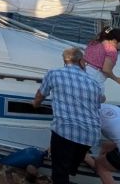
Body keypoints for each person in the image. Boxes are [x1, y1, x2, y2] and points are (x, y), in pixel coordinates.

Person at [33, 47, 105, 184]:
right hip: (90, 135)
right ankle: (71, 168)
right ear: (81, 61)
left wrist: (35, 104)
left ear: (65, 61)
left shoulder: (54, 73)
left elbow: (40, 95)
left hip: (65, 131)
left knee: (59, 171)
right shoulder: (94, 83)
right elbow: (97, 105)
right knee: (70, 165)